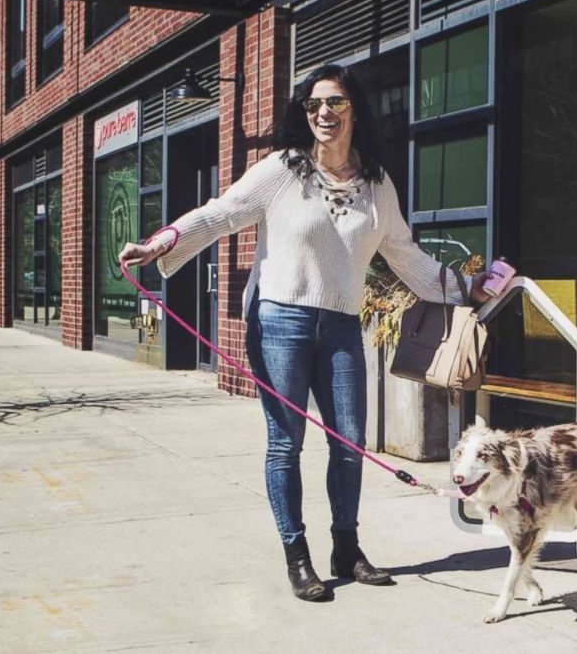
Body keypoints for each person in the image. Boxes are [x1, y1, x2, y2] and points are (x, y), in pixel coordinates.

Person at [118, 64, 490, 602]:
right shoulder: (283, 171)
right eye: (314, 105)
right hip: (279, 322)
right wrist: (163, 241)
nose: (323, 113)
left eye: (335, 103)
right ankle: (298, 555)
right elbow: (221, 213)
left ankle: (346, 546)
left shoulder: (376, 185)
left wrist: (466, 286)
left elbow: (407, 258)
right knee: (285, 443)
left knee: (349, 443)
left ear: (354, 110)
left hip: (340, 325)